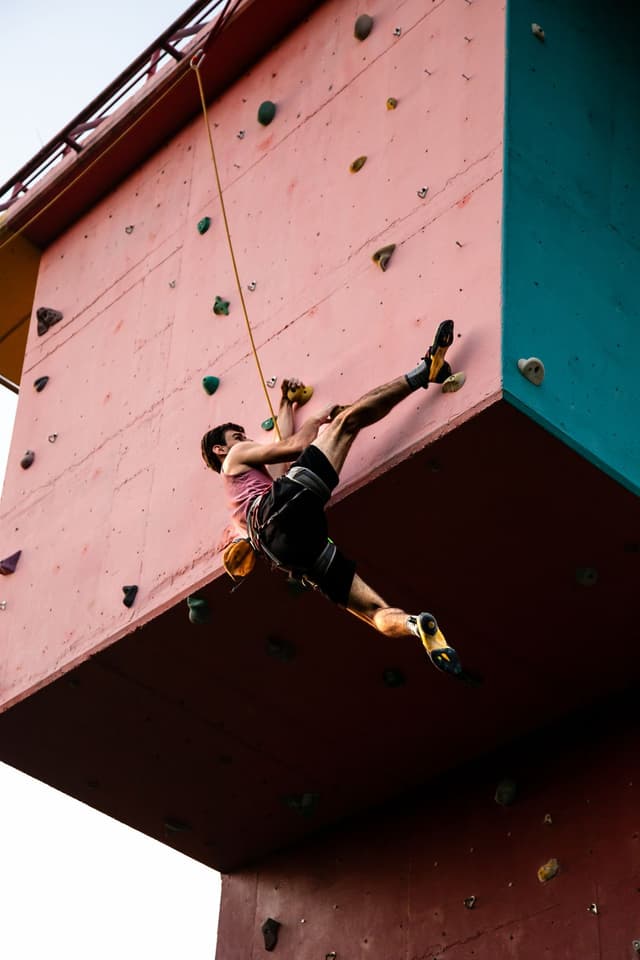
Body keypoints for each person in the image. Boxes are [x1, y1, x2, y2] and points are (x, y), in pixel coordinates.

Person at [201, 320, 463, 677]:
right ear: (221, 448)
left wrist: (286, 404)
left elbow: (280, 462)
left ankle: (416, 626)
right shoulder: (232, 459)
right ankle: (424, 371)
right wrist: (322, 420)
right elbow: (295, 447)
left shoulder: (240, 504)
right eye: (238, 435)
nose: (244, 439)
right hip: (281, 511)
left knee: (373, 612)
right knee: (347, 423)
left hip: (287, 550)